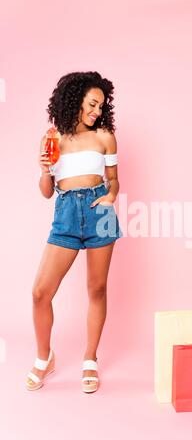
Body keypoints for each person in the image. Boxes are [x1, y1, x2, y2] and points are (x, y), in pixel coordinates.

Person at [26, 71, 123, 393]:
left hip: (100, 214)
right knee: (41, 292)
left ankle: (90, 358)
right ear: (75, 99)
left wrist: (110, 197)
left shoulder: (105, 137)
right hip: (66, 214)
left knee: (96, 289)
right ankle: (44, 358)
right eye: (92, 104)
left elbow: (114, 180)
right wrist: (43, 170)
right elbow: (47, 191)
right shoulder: (53, 138)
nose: (97, 111)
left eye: (101, 106)